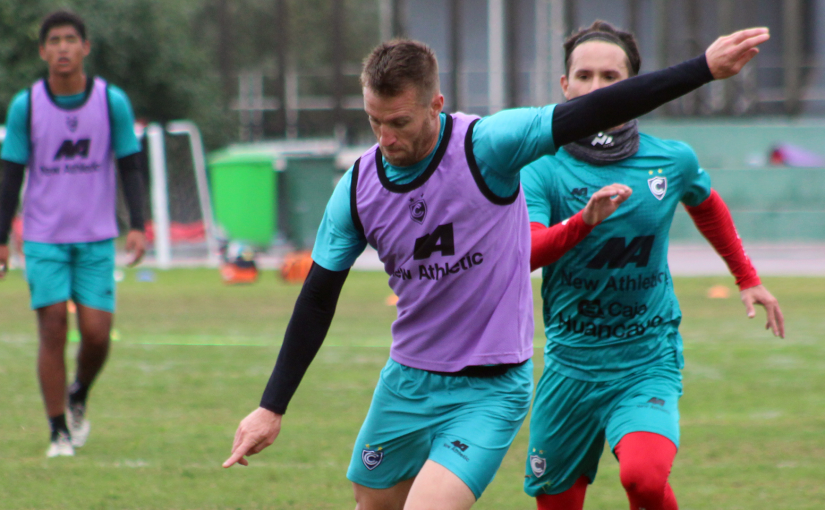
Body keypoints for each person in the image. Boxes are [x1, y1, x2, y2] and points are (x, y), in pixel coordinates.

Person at [223, 29, 770, 510]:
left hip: (490, 389)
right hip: (406, 381)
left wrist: (702, 69)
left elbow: (595, 109)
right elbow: (318, 297)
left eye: (399, 123)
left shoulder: (490, 147)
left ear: (436, 105)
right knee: (374, 505)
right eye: (373, 122)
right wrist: (271, 407)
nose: (385, 139)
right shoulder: (358, 189)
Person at [520, 21, 784, 510]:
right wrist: (584, 222)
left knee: (643, 478)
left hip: (646, 360)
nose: (595, 88)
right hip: (570, 364)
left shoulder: (671, 161)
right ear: (564, 86)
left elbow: (706, 204)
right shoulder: (542, 165)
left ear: (634, 88)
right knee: (556, 501)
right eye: (583, 76)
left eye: (610, 76)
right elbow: (529, 251)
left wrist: (748, 279)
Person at [0, 10, 146, 457]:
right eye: (54, 41)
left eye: (70, 39)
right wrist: (2, 235)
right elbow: (10, 174)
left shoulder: (110, 102)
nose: (62, 47)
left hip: (97, 235)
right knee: (53, 328)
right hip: (43, 237)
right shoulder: (27, 105)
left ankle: (78, 392)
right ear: (43, 51)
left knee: (98, 333)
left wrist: (138, 224)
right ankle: (58, 431)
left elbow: (129, 164)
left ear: (84, 47)